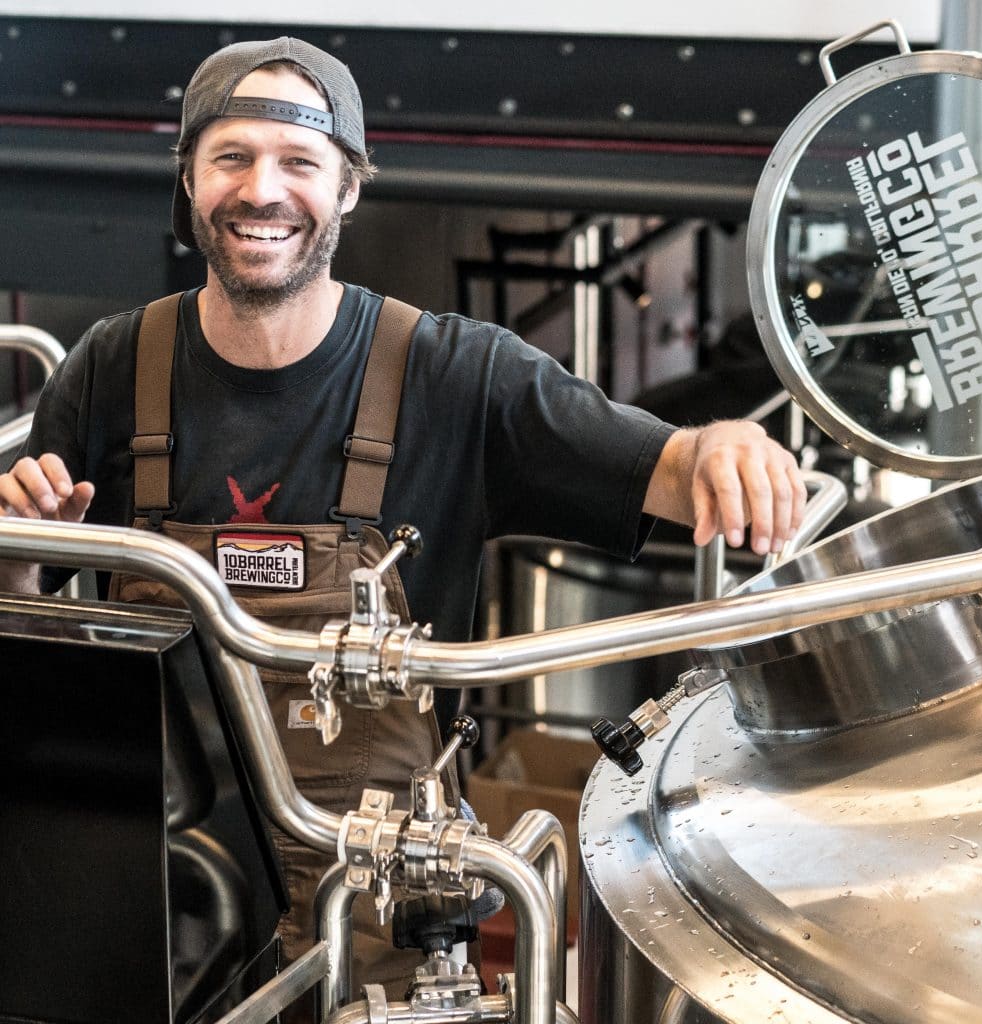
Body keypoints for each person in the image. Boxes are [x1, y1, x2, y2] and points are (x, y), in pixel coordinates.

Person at [0, 36, 805, 1009]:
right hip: (151, 906)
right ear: (189, 180)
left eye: (299, 163)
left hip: (384, 917)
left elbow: (668, 471)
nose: (263, 190)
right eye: (231, 158)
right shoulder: (110, 366)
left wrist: (723, 445)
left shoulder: (458, 376)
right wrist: (20, 563)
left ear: (346, 188)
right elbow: (28, 634)